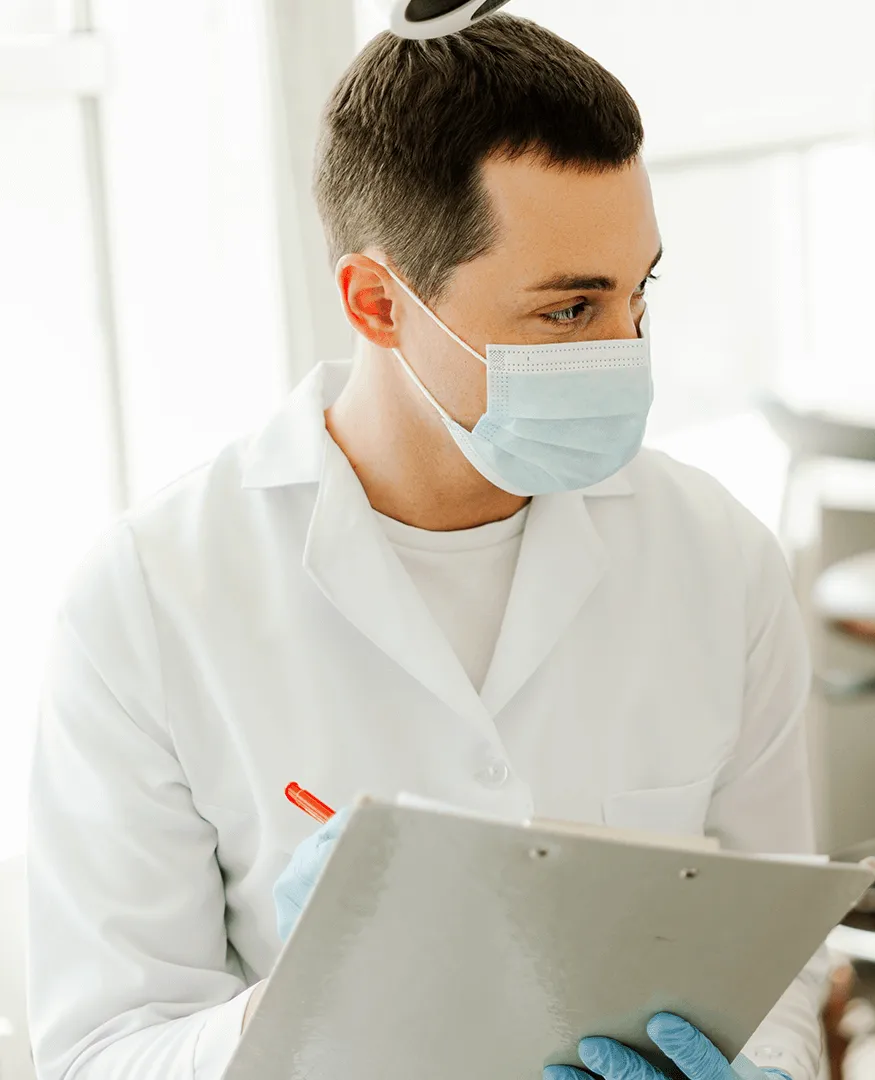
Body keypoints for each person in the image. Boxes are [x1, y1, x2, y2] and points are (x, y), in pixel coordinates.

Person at [28, 15, 826, 1080]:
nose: (626, 353)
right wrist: (311, 1010)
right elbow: (99, 1052)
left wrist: (766, 1066)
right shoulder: (148, 601)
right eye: (569, 309)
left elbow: (781, 951)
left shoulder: (719, 560)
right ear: (377, 301)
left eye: (640, 293)